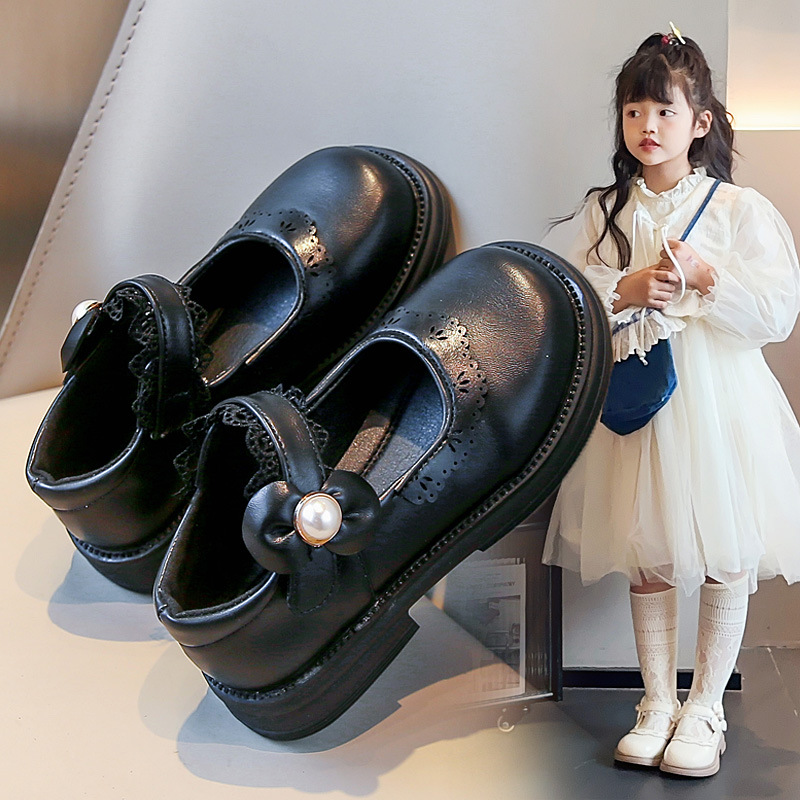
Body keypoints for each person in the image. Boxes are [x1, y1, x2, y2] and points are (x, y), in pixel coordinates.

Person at [542, 27, 800, 778]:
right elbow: (561, 303)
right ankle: (656, 701)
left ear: (700, 121)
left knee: (725, 550)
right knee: (646, 550)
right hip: (636, 399)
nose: (647, 126)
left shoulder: (738, 209)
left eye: (663, 110)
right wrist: (621, 289)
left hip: (719, 400)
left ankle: (706, 707)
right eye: (633, 111)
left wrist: (708, 277)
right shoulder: (604, 210)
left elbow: (777, 314)